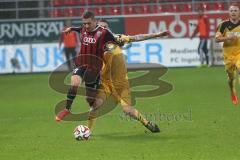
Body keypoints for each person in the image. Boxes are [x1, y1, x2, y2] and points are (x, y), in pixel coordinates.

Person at [87, 19, 170, 133]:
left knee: (127, 110)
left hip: (121, 83)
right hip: (106, 83)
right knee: (95, 106)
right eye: (101, 27)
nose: (103, 30)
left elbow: (137, 37)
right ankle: (88, 131)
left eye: (105, 27)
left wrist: (156, 34)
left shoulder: (117, 38)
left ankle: (147, 123)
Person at [55, 11, 117, 122]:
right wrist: (71, 29)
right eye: (84, 23)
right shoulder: (83, 28)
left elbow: (115, 42)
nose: (86, 26)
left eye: (88, 23)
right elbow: (79, 29)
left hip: (94, 68)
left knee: (90, 100)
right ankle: (67, 109)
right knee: (74, 84)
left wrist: (110, 47)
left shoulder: (104, 32)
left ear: (95, 21)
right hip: (81, 63)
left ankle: (101, 95)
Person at [215, 3, 240, 105]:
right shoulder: (223, 25)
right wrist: (228, 38)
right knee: (231, 79)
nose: (233, 12)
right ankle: (232, 91)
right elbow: (216, 39)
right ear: (229, 13)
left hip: (239, 53)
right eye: (231, 11)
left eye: (235, 10)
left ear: (239, 12)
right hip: (228, 56)